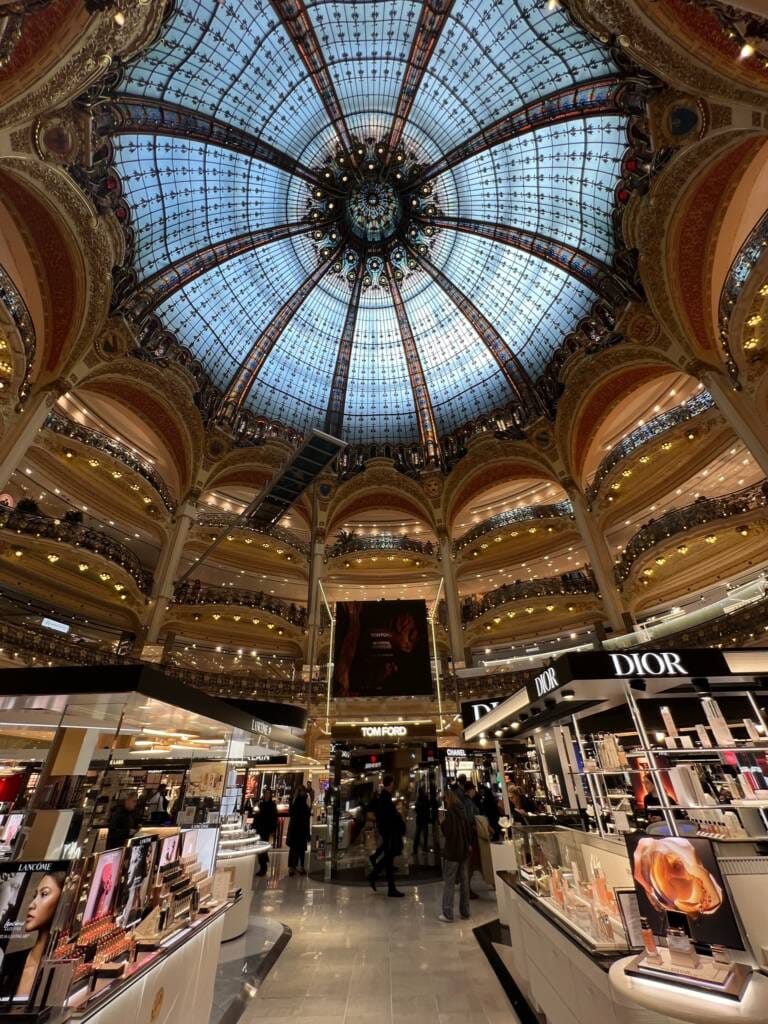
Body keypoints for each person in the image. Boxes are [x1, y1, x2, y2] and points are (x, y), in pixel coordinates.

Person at [0, 872, 65, 998]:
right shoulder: (8, 962)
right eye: (35, 896)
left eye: (44, 894)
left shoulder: (65, 968)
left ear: (63, 900)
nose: (31, 905)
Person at [439, 790, 471, 923]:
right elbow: (468, 829)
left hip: (453, 851)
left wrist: (441, 822)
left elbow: (448, 832)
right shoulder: (462, 810)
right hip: (463, 850)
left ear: (448, 799)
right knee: (464, 882)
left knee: (449, 882)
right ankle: (465, 911)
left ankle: (448, 913)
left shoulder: (450, 812)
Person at [370, 775, 405, 897]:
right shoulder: (385, 797)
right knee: (389, 860)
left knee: (389, 859)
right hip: (389, 833)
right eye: (393, 783)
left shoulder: (384, 797)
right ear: (390, 784)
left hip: (388, 832)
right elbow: (388, 816)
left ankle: (378, 878)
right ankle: (389, 887)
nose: (393, 785)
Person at [287, 784, 311, 876]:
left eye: (303, 790)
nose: (302, 792)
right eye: (300, 790)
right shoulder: (295, 801)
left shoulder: (306, 801)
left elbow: (307, 815)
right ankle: (292, 867)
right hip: (295, 828)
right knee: (294, 849)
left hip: (302, 828)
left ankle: (300, 866)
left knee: (301, 849)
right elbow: (291, 813)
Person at [255, 787, 278, 876]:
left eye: (268, 793)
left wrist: (273, 829)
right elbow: (257, 816)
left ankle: (263, 867)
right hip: (260, 828)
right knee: (260, 848)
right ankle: (263, 865)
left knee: (262, 847)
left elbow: (274, 818)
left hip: (267, 829)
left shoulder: (272, 805)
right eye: (266, 793)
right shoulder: (261, 804)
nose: (267, 795)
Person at [413, 785, 431, 858]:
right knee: (425, 834)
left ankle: (415, 849)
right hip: (424, 819)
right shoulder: (426, 798)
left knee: (417, 834)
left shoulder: (418, 799)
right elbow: (428, 807)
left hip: (419, 819)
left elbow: (416, 809)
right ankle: (424, 848)